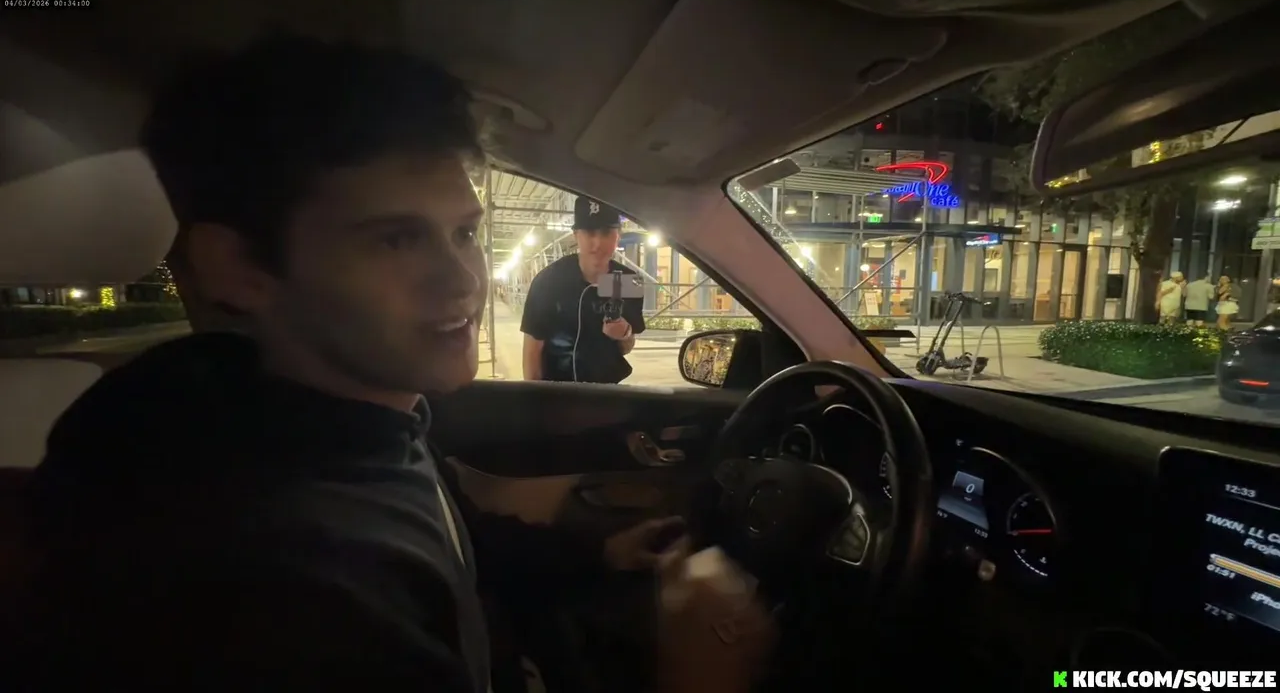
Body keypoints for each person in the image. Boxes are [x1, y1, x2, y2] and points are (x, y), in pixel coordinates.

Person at [11, 35, 771, 691]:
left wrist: (597, 551)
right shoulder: (274, 585)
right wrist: (702, 672)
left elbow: (451, 538)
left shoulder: (323, 414)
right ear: (238, 268)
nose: (462, 282)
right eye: (395, 240)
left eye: (464, 233)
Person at [520, 197, 646, 382]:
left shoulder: (628, 281)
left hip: (607, 390)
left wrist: (624, 333)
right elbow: (532, 352)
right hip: (557, 390)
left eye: (606, 232)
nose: (597, 243)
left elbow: (626, 348)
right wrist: (536, 397)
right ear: (576, 235)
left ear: (618, 234)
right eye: (589, 232)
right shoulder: (550, 281)